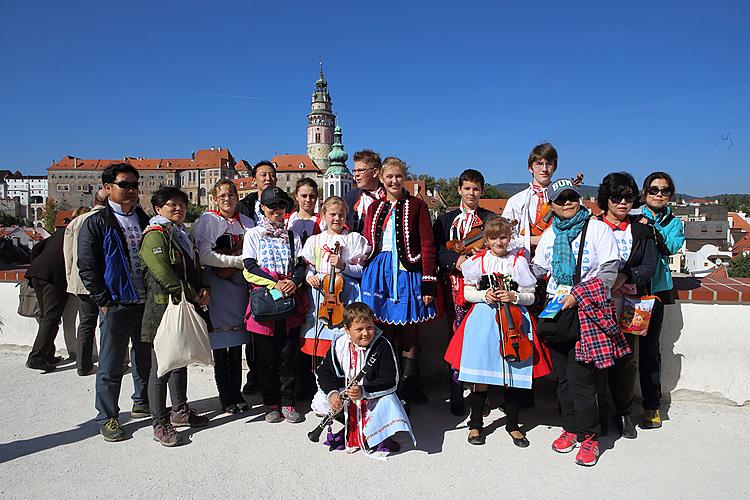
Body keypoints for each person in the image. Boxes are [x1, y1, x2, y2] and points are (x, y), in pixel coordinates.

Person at [531, 178, 630, 466]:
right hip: (555, 312)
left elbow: (610, 273)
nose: (566, 204)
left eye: (571, 198)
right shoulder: (550, 235)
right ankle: (571, 427)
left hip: (586, 311)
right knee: (562, 377)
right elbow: (537, 270)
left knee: (581, 378)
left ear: (580, 199)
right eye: (560, 200)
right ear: (552, 205)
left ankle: (590, 437)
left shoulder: (597, 229)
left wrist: (578, 294)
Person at [445, 217, 552, 447]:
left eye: (503, 237)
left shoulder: (518, 262)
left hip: (513, 322)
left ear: (509, 238)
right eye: (494, 237)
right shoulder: (478, 261)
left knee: (512, 376)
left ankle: (513, 425)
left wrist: (514, 297)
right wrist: (485, 296)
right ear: (487, 239)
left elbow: (530, 295)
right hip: (483, 321)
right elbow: (468, 293)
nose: (499, 242)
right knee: (480, 376)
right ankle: (475, 424)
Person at [77, 163, 152, 442]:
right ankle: (107, 416)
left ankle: (141, 400)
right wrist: (103, 300)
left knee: (144, 357)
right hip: (117, 301)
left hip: (144, 299)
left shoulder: (143, 218)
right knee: (110, 363)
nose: (132, 189)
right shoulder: (97, 222)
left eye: (135, 184)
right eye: (125, 184)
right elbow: (86, 265)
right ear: (108, 188)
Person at [360, 156, 437, 410]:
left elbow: (427, 244)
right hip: (380, 272)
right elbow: (366, 243)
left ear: (404, 178)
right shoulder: (374, 208)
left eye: (398, 176)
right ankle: (389, 387)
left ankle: (410, 385)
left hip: (407, 273)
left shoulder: (416, 205)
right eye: (389, 176)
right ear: (381, 178)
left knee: (410, 332)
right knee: (384, 331)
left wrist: (428, 283)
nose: (394, 181)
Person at [139, 187, 211, 446]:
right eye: (172, 204)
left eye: (181, 204)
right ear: (158, 209)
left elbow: (193, 266)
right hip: (162, 308)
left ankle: (180, 409)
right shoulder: (155, 236)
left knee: (180, 358)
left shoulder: (181, 235)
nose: (178, 208)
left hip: (182, 303)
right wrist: (193, 292)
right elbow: (163, 273)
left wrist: (203, 289)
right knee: (161, 367)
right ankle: (159, 422)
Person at [595, 172, 657, 439]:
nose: (623, 202)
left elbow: (649, 267)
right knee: (597, 359)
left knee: (626, 360)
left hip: (631, 306)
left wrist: (625, 276)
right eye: (617, 196)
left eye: (629, 197)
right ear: (606, 198)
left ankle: (623, 412)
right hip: (598, 304)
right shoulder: (591, 226)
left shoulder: (642, 231)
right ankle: (600, 412)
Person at [242, 186, 308, 423]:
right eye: (272, 206)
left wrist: (293, 281)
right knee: (266, 359)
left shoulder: (291, 235)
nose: (277, 211)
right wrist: (275, 283)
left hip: (289, 299)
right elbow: (249, 267)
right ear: (262, 208)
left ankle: (288, 402)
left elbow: (301, 264)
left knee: (287, 356)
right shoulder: (253, 234)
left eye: (281, 206)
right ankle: (270, 403)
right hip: (265, 301)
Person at [432, 168, 496, 415]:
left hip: (482, 287)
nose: (471, 193)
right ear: (459, 190)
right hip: (454, 287)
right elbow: (437, 248)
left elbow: (499, 244)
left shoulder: (489, 218)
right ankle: (456, 393)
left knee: (483, 338)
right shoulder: (446, 219)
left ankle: (482, 394)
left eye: (476, 189)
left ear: (482, 191)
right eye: (467, 188)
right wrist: (456, 260)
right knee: (456, 337)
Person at [316, 302, 414, 456]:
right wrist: (333, 394)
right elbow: (323, 372)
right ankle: (352, 427)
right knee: (320, 401)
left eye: (369, 327)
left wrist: (364, 391)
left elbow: (391, 379)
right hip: (348, 394)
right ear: (347, 330)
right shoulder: (338, 345)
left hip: (372, 395)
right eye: (359, 329)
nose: (366, 333)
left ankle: (374, 433)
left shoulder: (382, 345)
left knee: (389, 403)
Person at [193, 180, 254, 414]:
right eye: (222, 196)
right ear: (215, 200)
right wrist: (237, 261)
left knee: (237, 344)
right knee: (221, 347)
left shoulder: (246, 223)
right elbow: (205, 256)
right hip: (218, 285)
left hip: (239, 287)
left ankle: (237, 393)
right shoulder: (209, 221)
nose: (227, 199)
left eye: (231, 194)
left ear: (237, 197)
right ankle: (225, 396)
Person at [637, 171, 685, 430]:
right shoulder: (632, 214)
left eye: (664, 190)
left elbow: (672, 246)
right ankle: (614, 405)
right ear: (645, 192)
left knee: (649, 353)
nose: (658, 194)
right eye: (654, 190)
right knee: (622, 353)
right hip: (630, 290)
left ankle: (651, 406)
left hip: (655, 291)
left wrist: (652, 228)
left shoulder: (674, 222)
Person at [300, 196, 371, 359]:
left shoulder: (353, 238)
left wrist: (343, 266)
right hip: (320, 294)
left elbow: (360, 271)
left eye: (341, 215)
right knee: (319, 337)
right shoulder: (315, 240)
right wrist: (309, 276)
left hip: (345, 293)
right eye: (332, 214)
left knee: (345, 341)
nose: (337, 218)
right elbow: (309, 267)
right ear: (324, 215)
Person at [235, 160, 280, 395]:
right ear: (255, 179)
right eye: (263, 175)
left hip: (276, 274)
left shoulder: (281, 203)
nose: (268, 178)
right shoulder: (245, 206)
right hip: (252, 274)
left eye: (272, 174)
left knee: (274, 323)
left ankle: (275, 377)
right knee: (254, 327)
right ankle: (254, 374)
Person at [64, 190, 108, 376]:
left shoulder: (76, 221)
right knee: (109, 324)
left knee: (86, 323)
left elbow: (68, 255)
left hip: (81, 280)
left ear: (94, 200)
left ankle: (83, 365)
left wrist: (70, 281)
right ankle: (111, 364)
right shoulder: (109, 219)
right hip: (105, 280)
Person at [503, 143, 570, 254]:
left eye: (549, 164)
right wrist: (534, 240)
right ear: (530, 168)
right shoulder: (516, 201)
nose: (544, 169)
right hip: (525, 259)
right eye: (539, 164)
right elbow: (506, 237)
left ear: (554, 168)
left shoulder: (567, 198)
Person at [25, 224, 69, 372]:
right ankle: (36, 357)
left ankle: (47, 354)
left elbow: (37, 248)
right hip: (53, 276)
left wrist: (36, 265)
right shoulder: (79, 232)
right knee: (51, 317)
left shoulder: (61, 231)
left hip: (37, 271)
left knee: (45, 317)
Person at [344, 149, 385, 234]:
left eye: (361, 170)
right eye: (354, 171)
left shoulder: (390, 196)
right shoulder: (349, 199)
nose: (356, 174)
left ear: (375, 172)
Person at [287, 177, 324, 245]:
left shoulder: (323, 222)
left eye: (312, 196)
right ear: (296, 196)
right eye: (304, 196)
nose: (308, 200)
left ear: (316, 197)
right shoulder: (286, 220)